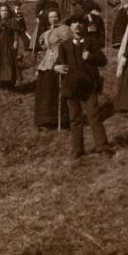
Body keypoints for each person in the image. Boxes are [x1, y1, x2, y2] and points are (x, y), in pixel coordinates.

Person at [54, 10, 115, 159]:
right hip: (71, 86)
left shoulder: (91, 42)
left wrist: (91, 57)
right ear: (70, 26)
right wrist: (56, 67)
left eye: (80, 23)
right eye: (74, 23)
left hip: (89, 86)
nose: (77, 26)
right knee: (75, 118)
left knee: (94, 115)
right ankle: (77, 150)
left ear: (84, 25)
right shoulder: (64, 46)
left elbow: (103, 61)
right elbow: (58, 63)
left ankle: (102, 147)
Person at [34, 9, 71, 130]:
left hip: (59, 59)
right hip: (47, 62)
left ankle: (60, 120)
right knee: (45, 92)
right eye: (51, 17)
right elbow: (44, 48)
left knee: (56, 91)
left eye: (55, 16)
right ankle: (44, 120)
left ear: (59, 17)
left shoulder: (64, 29)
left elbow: (68, 44)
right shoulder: (46, 32)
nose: (53, 19)